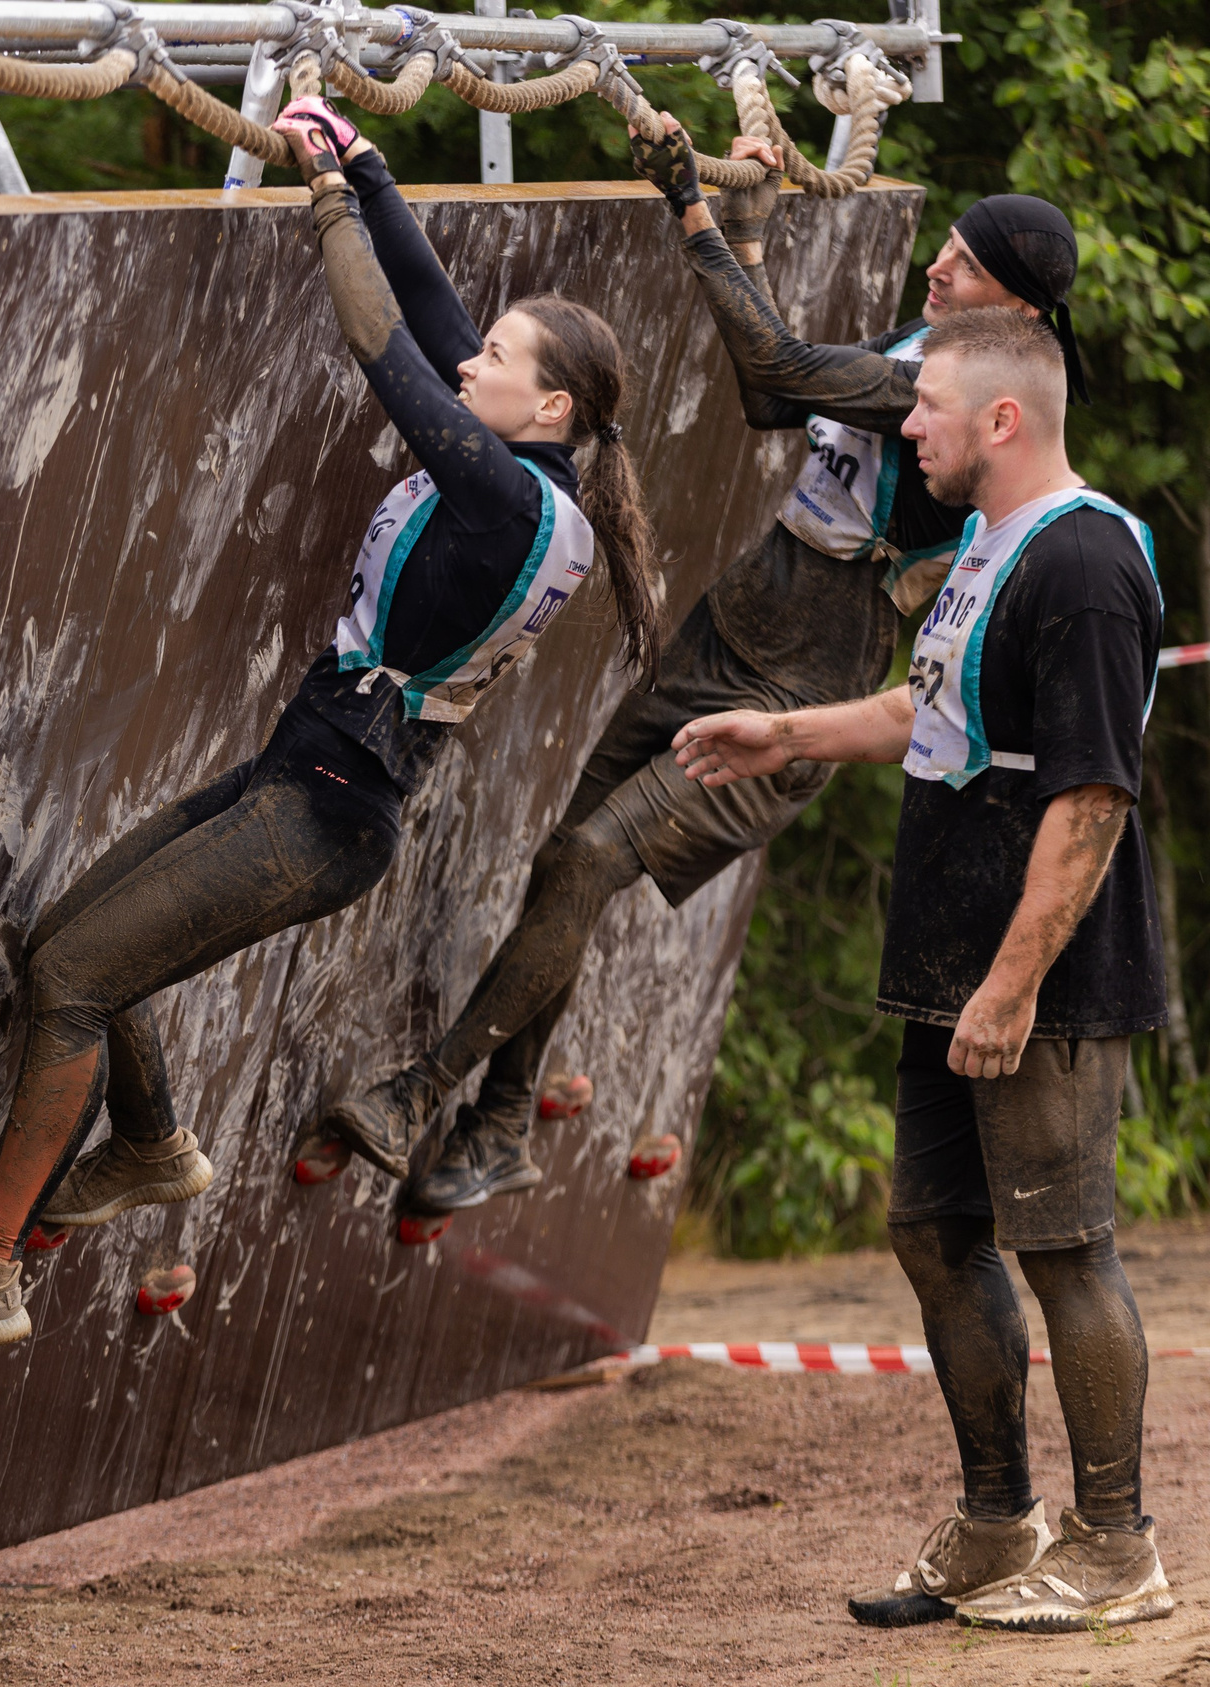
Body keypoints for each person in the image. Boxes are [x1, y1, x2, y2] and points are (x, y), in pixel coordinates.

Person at [0, 93, 660, 1358]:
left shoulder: (505, 496)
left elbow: (382, 342)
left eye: (499, 363)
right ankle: (148, 1143)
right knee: (64, 945)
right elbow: (433, 311)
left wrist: (324, 204)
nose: (472, 366)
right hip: (303, 773)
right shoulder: (533, 475)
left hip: (328, 812)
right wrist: (367, 166)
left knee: (72, 977)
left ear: (548, 408)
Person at [299, 117, 1089, 1212]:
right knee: (563, 865)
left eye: (963, 260)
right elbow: (777, 400)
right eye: (943, 246)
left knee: (583, 863)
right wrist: (750, 235)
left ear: (1017, 307)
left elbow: (771, 363)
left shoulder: (967, 386)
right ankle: (498, 1123)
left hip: (804, 678)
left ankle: (414, 1095)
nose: (936, 264)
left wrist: (692, 209)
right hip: (737, 621)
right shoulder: (934, 343)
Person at [673, 307, 1171, 1633]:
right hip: (944, 947)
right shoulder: (986, 551)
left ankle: (1118, 1544)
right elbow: (923, 711)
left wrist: (1011, 986)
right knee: (933, 1230)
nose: (909, 426)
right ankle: (1000, 1522)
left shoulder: (1086, 563)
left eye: (929, 405)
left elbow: (1092, 797)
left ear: (1002, 420)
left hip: (1044, 963)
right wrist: (782, 732)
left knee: (1064, 1245)